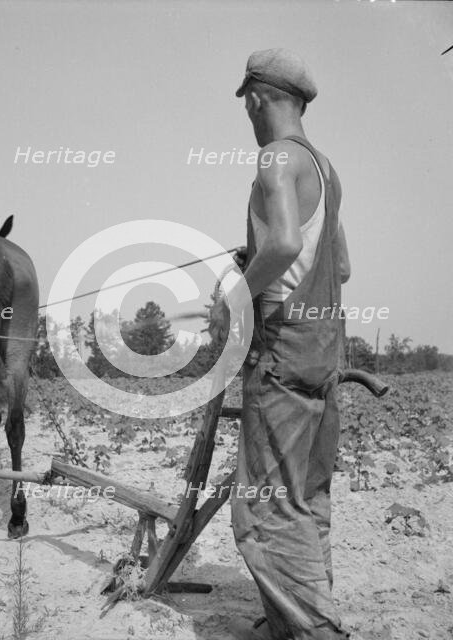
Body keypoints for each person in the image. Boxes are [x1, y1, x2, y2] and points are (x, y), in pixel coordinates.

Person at [209, 49, 352, 640]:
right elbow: (338, 265)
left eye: (247, 100)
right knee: (306, 499)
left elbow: (288, 245)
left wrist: (234, 296)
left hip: (283, 356)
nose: (246, 110)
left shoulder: (274, 159)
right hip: (325, 357)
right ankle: (285, 623)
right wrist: (264, 259)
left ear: (258, 97)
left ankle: (313, 632)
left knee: (265, 509)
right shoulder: (324, 169)